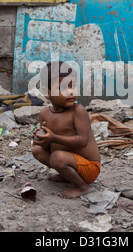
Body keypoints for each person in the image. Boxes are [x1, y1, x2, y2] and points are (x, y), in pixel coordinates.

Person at [32, 61, 101, 199]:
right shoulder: (44, 114)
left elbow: (82, 141)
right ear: (47, 92)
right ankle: (67, 175)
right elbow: (48, 146)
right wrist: (41, 140)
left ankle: (83, 187)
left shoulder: (78, 111)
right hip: (69, 161)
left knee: (58, 157)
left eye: (73, 86)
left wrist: (54, 138)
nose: (70, 91)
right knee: (37, 150)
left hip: (89, 167)